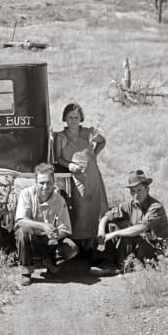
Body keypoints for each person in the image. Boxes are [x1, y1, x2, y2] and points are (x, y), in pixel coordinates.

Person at [54, 102, 109, 253]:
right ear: (65, 118)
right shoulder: (61, 137)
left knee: (95, 207)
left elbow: (102, 141)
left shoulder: (88, 132)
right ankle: (78, 245)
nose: (73, 120)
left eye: (76, 117)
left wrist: (95, 156)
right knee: (80, 209)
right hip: (76, 177)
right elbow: (57, 158)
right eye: (70, 117)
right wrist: (69, 165)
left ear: (81, 118)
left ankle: (94, 244)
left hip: (92, 175)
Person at [93, 169, 168, 272]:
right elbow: (108, 215)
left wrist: (115, 234)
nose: (136, 195)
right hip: (140, 244)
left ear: (147, 190)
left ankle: (120, 266)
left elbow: (141, 228)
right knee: (111, 225)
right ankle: (106, 263)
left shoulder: (155, 207)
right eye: (132, 191)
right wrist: (101, 231)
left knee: (127, 236)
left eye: (139, 190)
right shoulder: (131, 203)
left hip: (155, 249)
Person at [15, 163, 79, 286]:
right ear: (35, 182)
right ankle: (26, 272)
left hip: (49, 241)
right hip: (32, 238)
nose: (45, 186)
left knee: (72, 248)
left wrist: (56, 235)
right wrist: (43, 226)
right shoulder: (26, 194)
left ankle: (51, 263)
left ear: (54, 182)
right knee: (22, 232)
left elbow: (65, 228)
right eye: (42, 183)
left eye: (49, 183)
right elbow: (20, 220)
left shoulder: (60, 200)